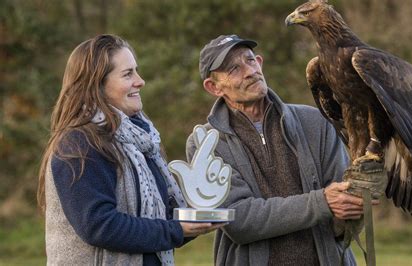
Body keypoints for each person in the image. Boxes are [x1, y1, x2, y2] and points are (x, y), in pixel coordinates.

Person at [185, 34, 383, 265]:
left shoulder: (316, 121)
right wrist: (321, 203)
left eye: (250, 61)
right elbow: (239, 220)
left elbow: (341, 210)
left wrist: (352, 206)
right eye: (233, 69)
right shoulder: (205, 143)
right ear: (214, 87)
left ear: (260, 62)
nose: (250, 71)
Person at [37, 34, 223, 265]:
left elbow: (156, 221)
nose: (140, 81)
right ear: (97, 85)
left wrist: (201, 214)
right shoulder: (79, 143)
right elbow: (99, 226)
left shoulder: (140, 142)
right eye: (128, 74)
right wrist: (176, 229)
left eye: (136, 71)